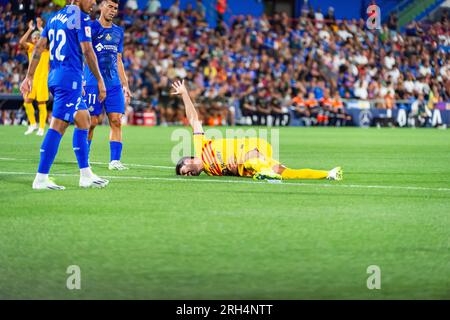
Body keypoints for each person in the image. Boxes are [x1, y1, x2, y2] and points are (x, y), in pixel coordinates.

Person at [171, 80, 343, 181]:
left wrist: (185, 94)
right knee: (288, 173)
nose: (189, 175)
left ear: (189, 158)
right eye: (187, 175)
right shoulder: (211, 172)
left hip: (252, 147)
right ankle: (329, 173)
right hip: (251, 166)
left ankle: (265, 174)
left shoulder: (201, 147)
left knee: (246, 160)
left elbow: (193, 120)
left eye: (185, 170)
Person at [20, 0, 109, 190]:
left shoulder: (53, 18)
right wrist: (100, 80)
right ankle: (41, 178)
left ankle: (85, 175)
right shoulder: (81, 17)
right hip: (69, 79)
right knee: (58, 126)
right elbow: (87, 50)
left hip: (57, 77)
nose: (94, 2)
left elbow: (39, 48)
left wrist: (29, 76)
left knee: (84, 119)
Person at [83, 0, 131, 170]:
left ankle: (115, 161)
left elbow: (118, 60)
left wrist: (125, 84)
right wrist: (82, 79)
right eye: (109, 6)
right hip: (92, 83)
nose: (113, 10)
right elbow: (86, 54)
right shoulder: (91, 28)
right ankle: (84, 159)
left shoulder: (119, 32)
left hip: (113, 84)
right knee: (92, 122)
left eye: (116, 8)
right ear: (101, 7)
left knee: (116, 120)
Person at [19, 18, 50, 136]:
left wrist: (41, 28)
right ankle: (32, 124)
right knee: (27, 102)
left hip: (42, 79)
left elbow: (49, 38)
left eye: (38, 38)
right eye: (34, 38)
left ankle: (41, 127)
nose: (36, 40)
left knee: (41, 103)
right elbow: (21, 42)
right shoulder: (31, 48)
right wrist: (30, 29)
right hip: (32, 79)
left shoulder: (46, 49)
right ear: (32, 40)